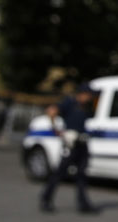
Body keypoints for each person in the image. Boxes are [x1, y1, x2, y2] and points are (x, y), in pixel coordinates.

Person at [39, 84, 97, 214]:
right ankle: (46, 199)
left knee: (82, 174)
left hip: (82, 143)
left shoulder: (86, 107)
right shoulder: (70, 103)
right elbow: (51, 111)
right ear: (82, 94)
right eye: (88, 95)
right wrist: (57, 130)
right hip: (70, 144)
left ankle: (83, 204)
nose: (90, 97)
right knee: (59, 173)